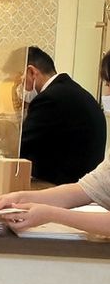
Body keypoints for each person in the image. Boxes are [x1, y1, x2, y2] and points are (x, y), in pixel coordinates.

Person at [0, 49, 110, 236]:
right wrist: (22, 197)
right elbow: (85, 189)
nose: (107, 92)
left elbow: (20, 143)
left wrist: (50, 214)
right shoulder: (67, 92)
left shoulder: (53, 97)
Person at [16, 46, 105, 186]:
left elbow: (19, 145)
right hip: (83, 183)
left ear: (32, 72)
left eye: (21, 81)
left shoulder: (50, 99)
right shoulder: (70, 91)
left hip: (62, 185)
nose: (20, 88)